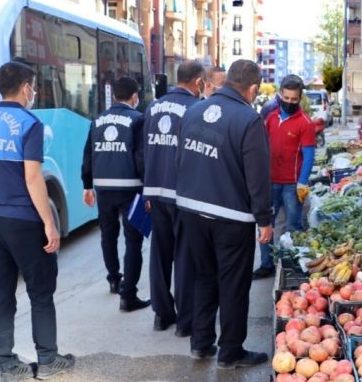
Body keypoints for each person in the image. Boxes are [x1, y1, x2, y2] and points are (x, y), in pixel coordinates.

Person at [0, 61, 75, 381]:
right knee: (40, 291)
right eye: (34, 86)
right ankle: (47, 357)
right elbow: (33, 179)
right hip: (23, 223)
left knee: (1, 297)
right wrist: (49, 222)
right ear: (27, 88)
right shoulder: (29, 123)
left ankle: (7, 365)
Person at [175, 59, 272, 369]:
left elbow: (182, 158)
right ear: (253, 88)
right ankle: (230, 350)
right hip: (230, 216)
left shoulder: (193, 110)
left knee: (204, 277)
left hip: (191, 209)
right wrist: (264, 219)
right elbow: (257, 176)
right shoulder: (248, 119)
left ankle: (201, 344)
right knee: (233, 283)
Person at [143, 61, 206, 336]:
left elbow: (143, 149)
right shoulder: (195, 109)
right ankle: (185, 321)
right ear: (198, 82)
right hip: (183, 193)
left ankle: (161, 314)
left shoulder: (152, 107)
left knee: (159, 254)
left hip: (155, 191)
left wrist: (146, 189)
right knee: (184, 256)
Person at [80, 76, 150, 312]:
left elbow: (88, 154)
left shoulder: (98, 120)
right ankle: (128, 296)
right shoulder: (138, 119)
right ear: (134, 96)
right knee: (133, 241)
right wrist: (148, 187)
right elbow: (141, 157)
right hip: (131, 189)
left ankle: (113, 279)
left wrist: (86, 185)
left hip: (103, 189)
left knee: (108, 235)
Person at [253, 75, 315, 279]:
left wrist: (303, 182)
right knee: (266, 224)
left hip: (291, 184)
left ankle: (291, 265)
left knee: (293, 227)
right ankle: (266, 264)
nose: (289, 102)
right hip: (270, 182)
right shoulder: (270, 118)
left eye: (293, 99)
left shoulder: (305, 123)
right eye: (286, 98)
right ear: (280, 94)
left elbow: (308, 156)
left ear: (300, 98)